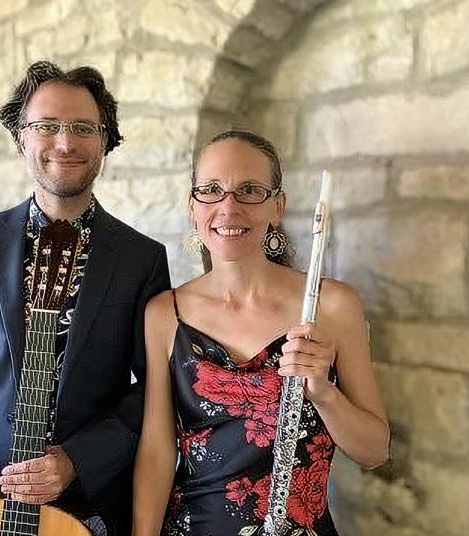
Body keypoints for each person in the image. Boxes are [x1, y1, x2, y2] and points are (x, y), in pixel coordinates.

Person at [0, 61, 170, 536]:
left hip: (90, 502)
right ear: (20, 138)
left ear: (105, 141)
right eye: (47, 125)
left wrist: (77, 459)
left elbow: (156, 389)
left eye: (83, 128)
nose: (65, 143)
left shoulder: (142, 259)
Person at [133, 130, 389, 535]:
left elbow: (374, 451)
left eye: (250, 190)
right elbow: (156, 452)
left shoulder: (333, 305)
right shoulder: (166, 313)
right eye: (211, 190)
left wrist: (324, 393)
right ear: (192, 207)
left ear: (277, 207)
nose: (229, 207)